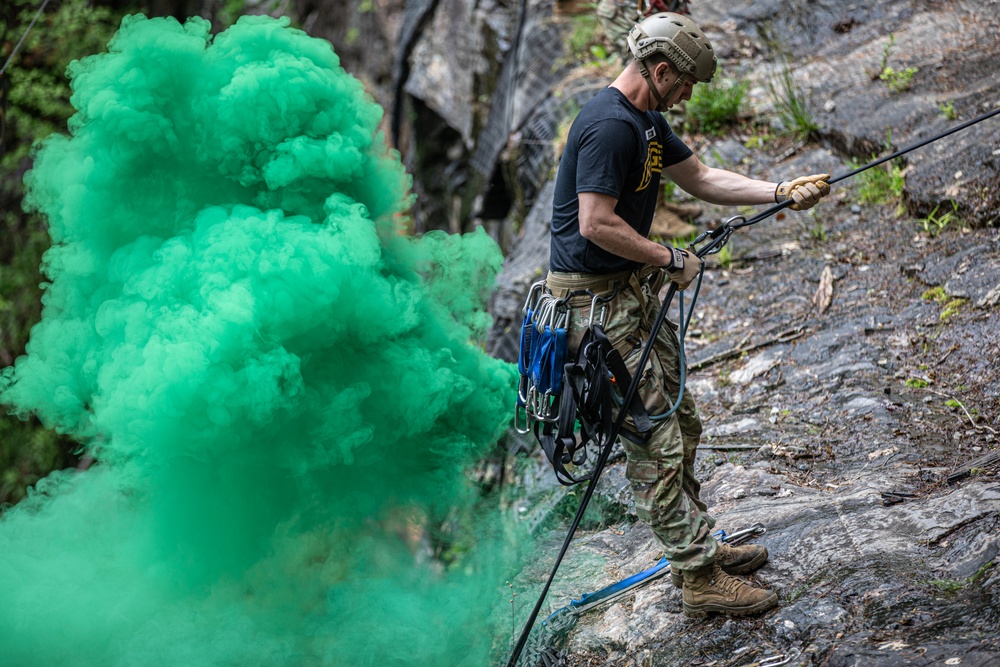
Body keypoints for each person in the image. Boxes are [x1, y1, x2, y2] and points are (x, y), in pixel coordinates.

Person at [545, 12, 829, 618]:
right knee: (652, 437)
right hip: (593, 308)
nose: (689, 95)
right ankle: (697, 577)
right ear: (661, 68)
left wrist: (780, 191)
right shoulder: (609, 126)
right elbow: (594, 222)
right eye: (686, 83)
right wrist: (668, 256)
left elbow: (700, 177)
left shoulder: (646, 122)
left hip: (627, 295)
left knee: (683, 420)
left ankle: (698, 544)